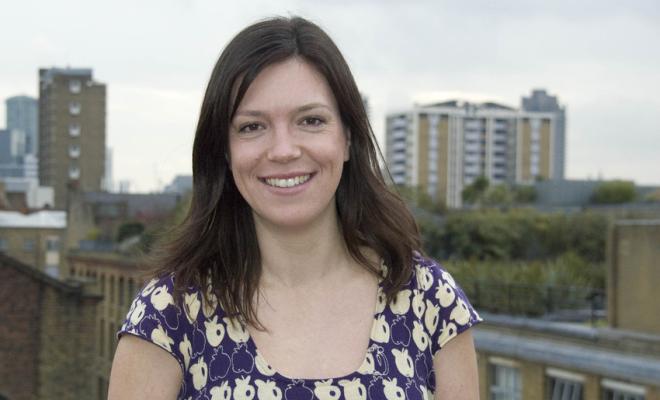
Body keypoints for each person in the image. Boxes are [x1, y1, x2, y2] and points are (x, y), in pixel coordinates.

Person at [108, 16, 482, 400]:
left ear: (348, 137)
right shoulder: (169, 315)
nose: (284, 150)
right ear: (224, 149)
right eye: (253, 127)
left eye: (311, 120)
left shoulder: (429, 300)